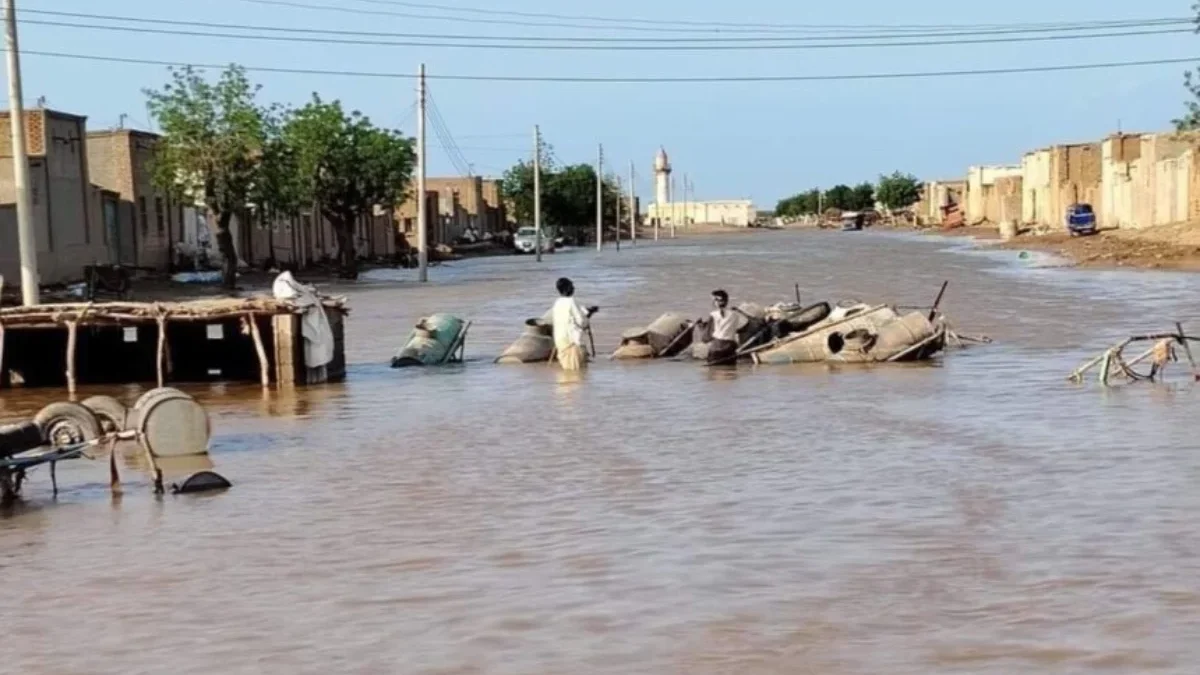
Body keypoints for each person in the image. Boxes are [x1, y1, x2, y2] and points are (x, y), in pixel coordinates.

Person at [544, 277, 597, 371]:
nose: (574, 288)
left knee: (567, 374)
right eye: (572, 286)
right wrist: (589, 315)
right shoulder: (571, 301)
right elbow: (581, 322)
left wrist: (586, 312)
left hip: (560, 343)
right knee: (577, 374)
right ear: (567, 288)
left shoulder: (557, 303)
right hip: (572, 342)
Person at [707, 289, 748, 365]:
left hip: (716, 348)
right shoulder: (735, 314)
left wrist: (701, 327)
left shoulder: (713, 315)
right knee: (730, 373)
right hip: (729, 348)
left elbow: (706, 337)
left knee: (713, 373)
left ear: (716, 302)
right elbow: (743, 328)